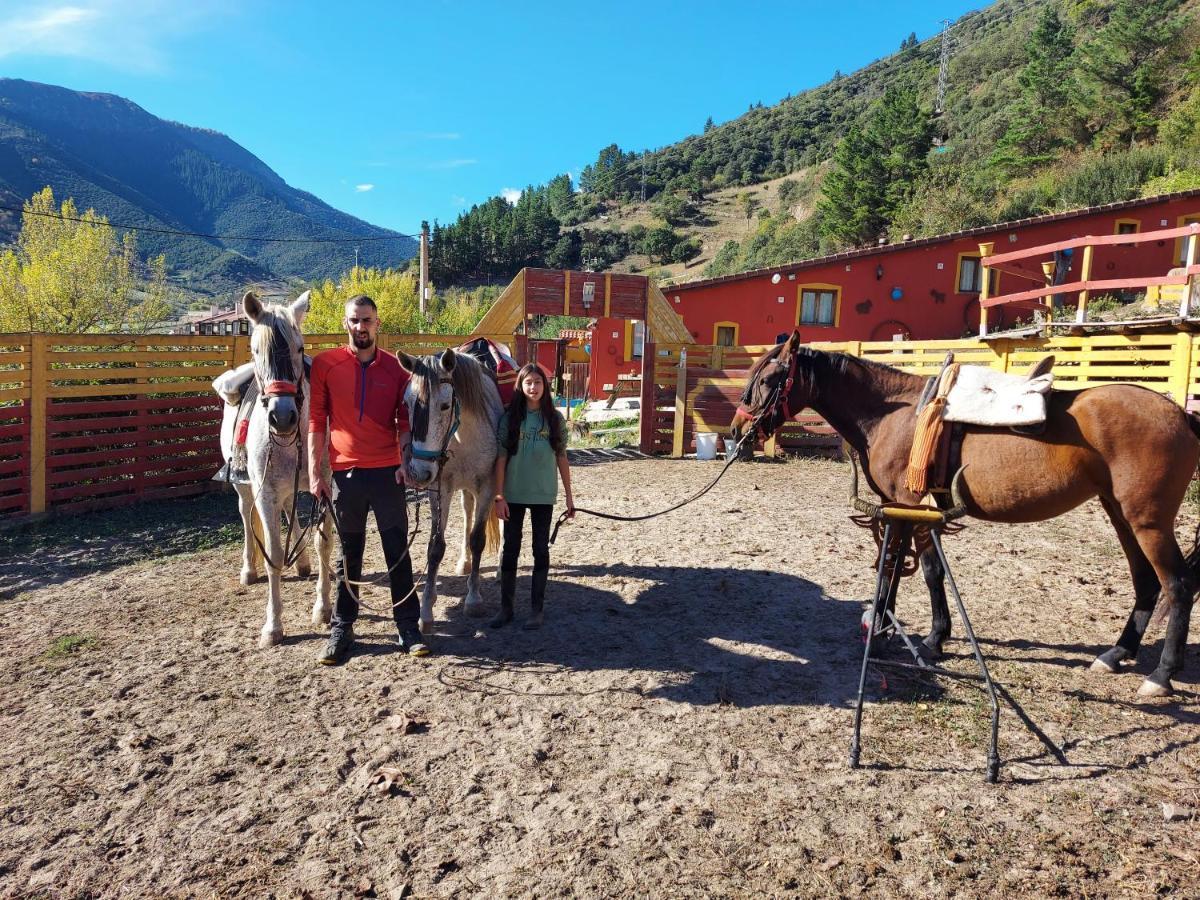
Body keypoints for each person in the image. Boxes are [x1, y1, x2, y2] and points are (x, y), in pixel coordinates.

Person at [308, 294, 427, 664]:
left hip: (388, 472)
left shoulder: (396, 369)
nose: (361, 327)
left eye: (367, 320)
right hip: (346, 474)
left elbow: (404, 422)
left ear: (378, 323)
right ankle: (343, 628)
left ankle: (408, 627)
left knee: (397, 552)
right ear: (346, 323)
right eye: (355, 320)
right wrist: (316, 472)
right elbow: (316, 421)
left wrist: (405, 461)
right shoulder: (326, 365)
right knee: (349, 555)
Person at [491, 364, 575, 630]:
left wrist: (570, 498)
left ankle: (536, 610)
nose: (533, 387)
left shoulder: (554, 419)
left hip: (543, 494)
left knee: (540, 550)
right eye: (528, 382)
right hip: (513, 494)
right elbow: (501, 459)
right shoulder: (510, 418)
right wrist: (499, 497)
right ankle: (506, 609)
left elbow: (562, 457)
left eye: (538, 382)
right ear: (521, 385)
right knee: (510, 550)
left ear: (545, 386)